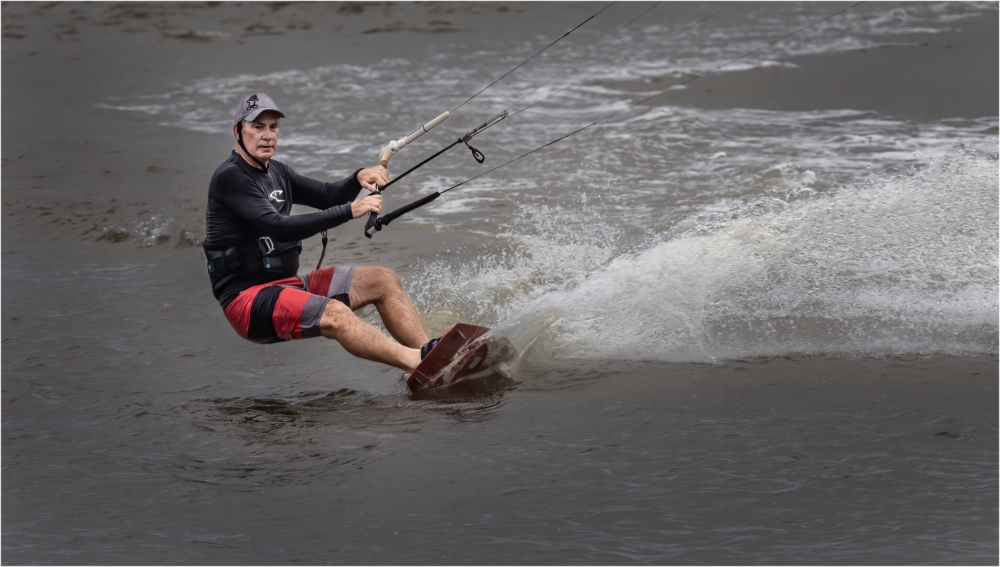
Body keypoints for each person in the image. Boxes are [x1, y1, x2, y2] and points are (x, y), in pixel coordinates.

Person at [203, 93, 437, 372]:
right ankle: (418, 363)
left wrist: (358, 178)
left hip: (288, 284)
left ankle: (431, 356)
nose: (267, 135)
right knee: (336, 314)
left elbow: (327, 195)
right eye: (257, 127)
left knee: (383, 281)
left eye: (273, 127)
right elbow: (275, 226)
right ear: (237, 131)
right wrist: (351, 210)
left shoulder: (277, 171)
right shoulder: (230, 177)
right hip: (249, 301)